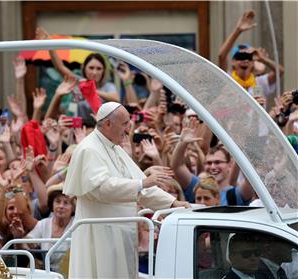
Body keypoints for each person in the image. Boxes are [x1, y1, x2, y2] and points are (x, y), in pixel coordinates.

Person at [63, 102, 190, 278]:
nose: (128, 129)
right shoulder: (88, 149)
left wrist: (172, 203)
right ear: (107, 124)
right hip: (101, 236)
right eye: (124, 124)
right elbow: (102, 188)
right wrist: (143, 183)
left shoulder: (115, 148)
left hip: (120, 233)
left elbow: (140, 186)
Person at [218, 10, 284, 98]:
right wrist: (238, 31)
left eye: (248, 57)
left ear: (253, 62)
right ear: (233, 62)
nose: (245, 60)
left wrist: (263, 59)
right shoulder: (228, 79)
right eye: (240, 57)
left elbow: (280, 71)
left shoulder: (260, 82)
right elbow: (221, 56)